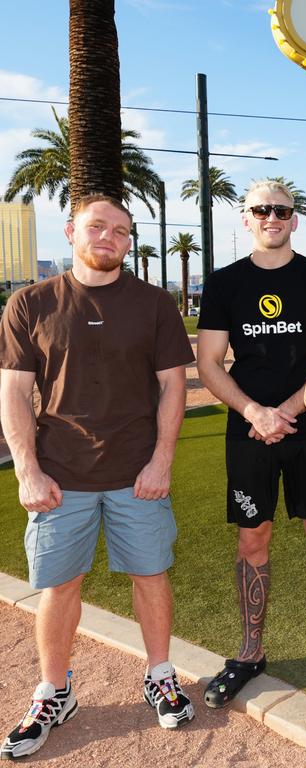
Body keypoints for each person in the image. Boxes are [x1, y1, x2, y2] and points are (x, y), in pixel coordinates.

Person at [0, 194, 196, 760]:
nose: (108, 236)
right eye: (97, 226)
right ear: (70, 232)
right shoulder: (30, 302)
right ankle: (54, 692)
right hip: (60, 477)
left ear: (130, 240)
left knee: (151, 575)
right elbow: (13, 391)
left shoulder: (154, 304)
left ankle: (160, 674)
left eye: (121, 230)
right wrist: (26, 470)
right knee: (60, 587)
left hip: (138, 475)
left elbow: (173, 387)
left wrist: (162, 461)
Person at [196, 179, 306, 708]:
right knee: (253, 540)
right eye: (261, 210)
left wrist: (287, 411)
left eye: (282, 210)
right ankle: (249, 651)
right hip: (248, 431)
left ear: (295, 219)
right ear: (245, 218)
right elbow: (208, 365)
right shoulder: (224, 284)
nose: (272, 217)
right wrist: (254, 412)